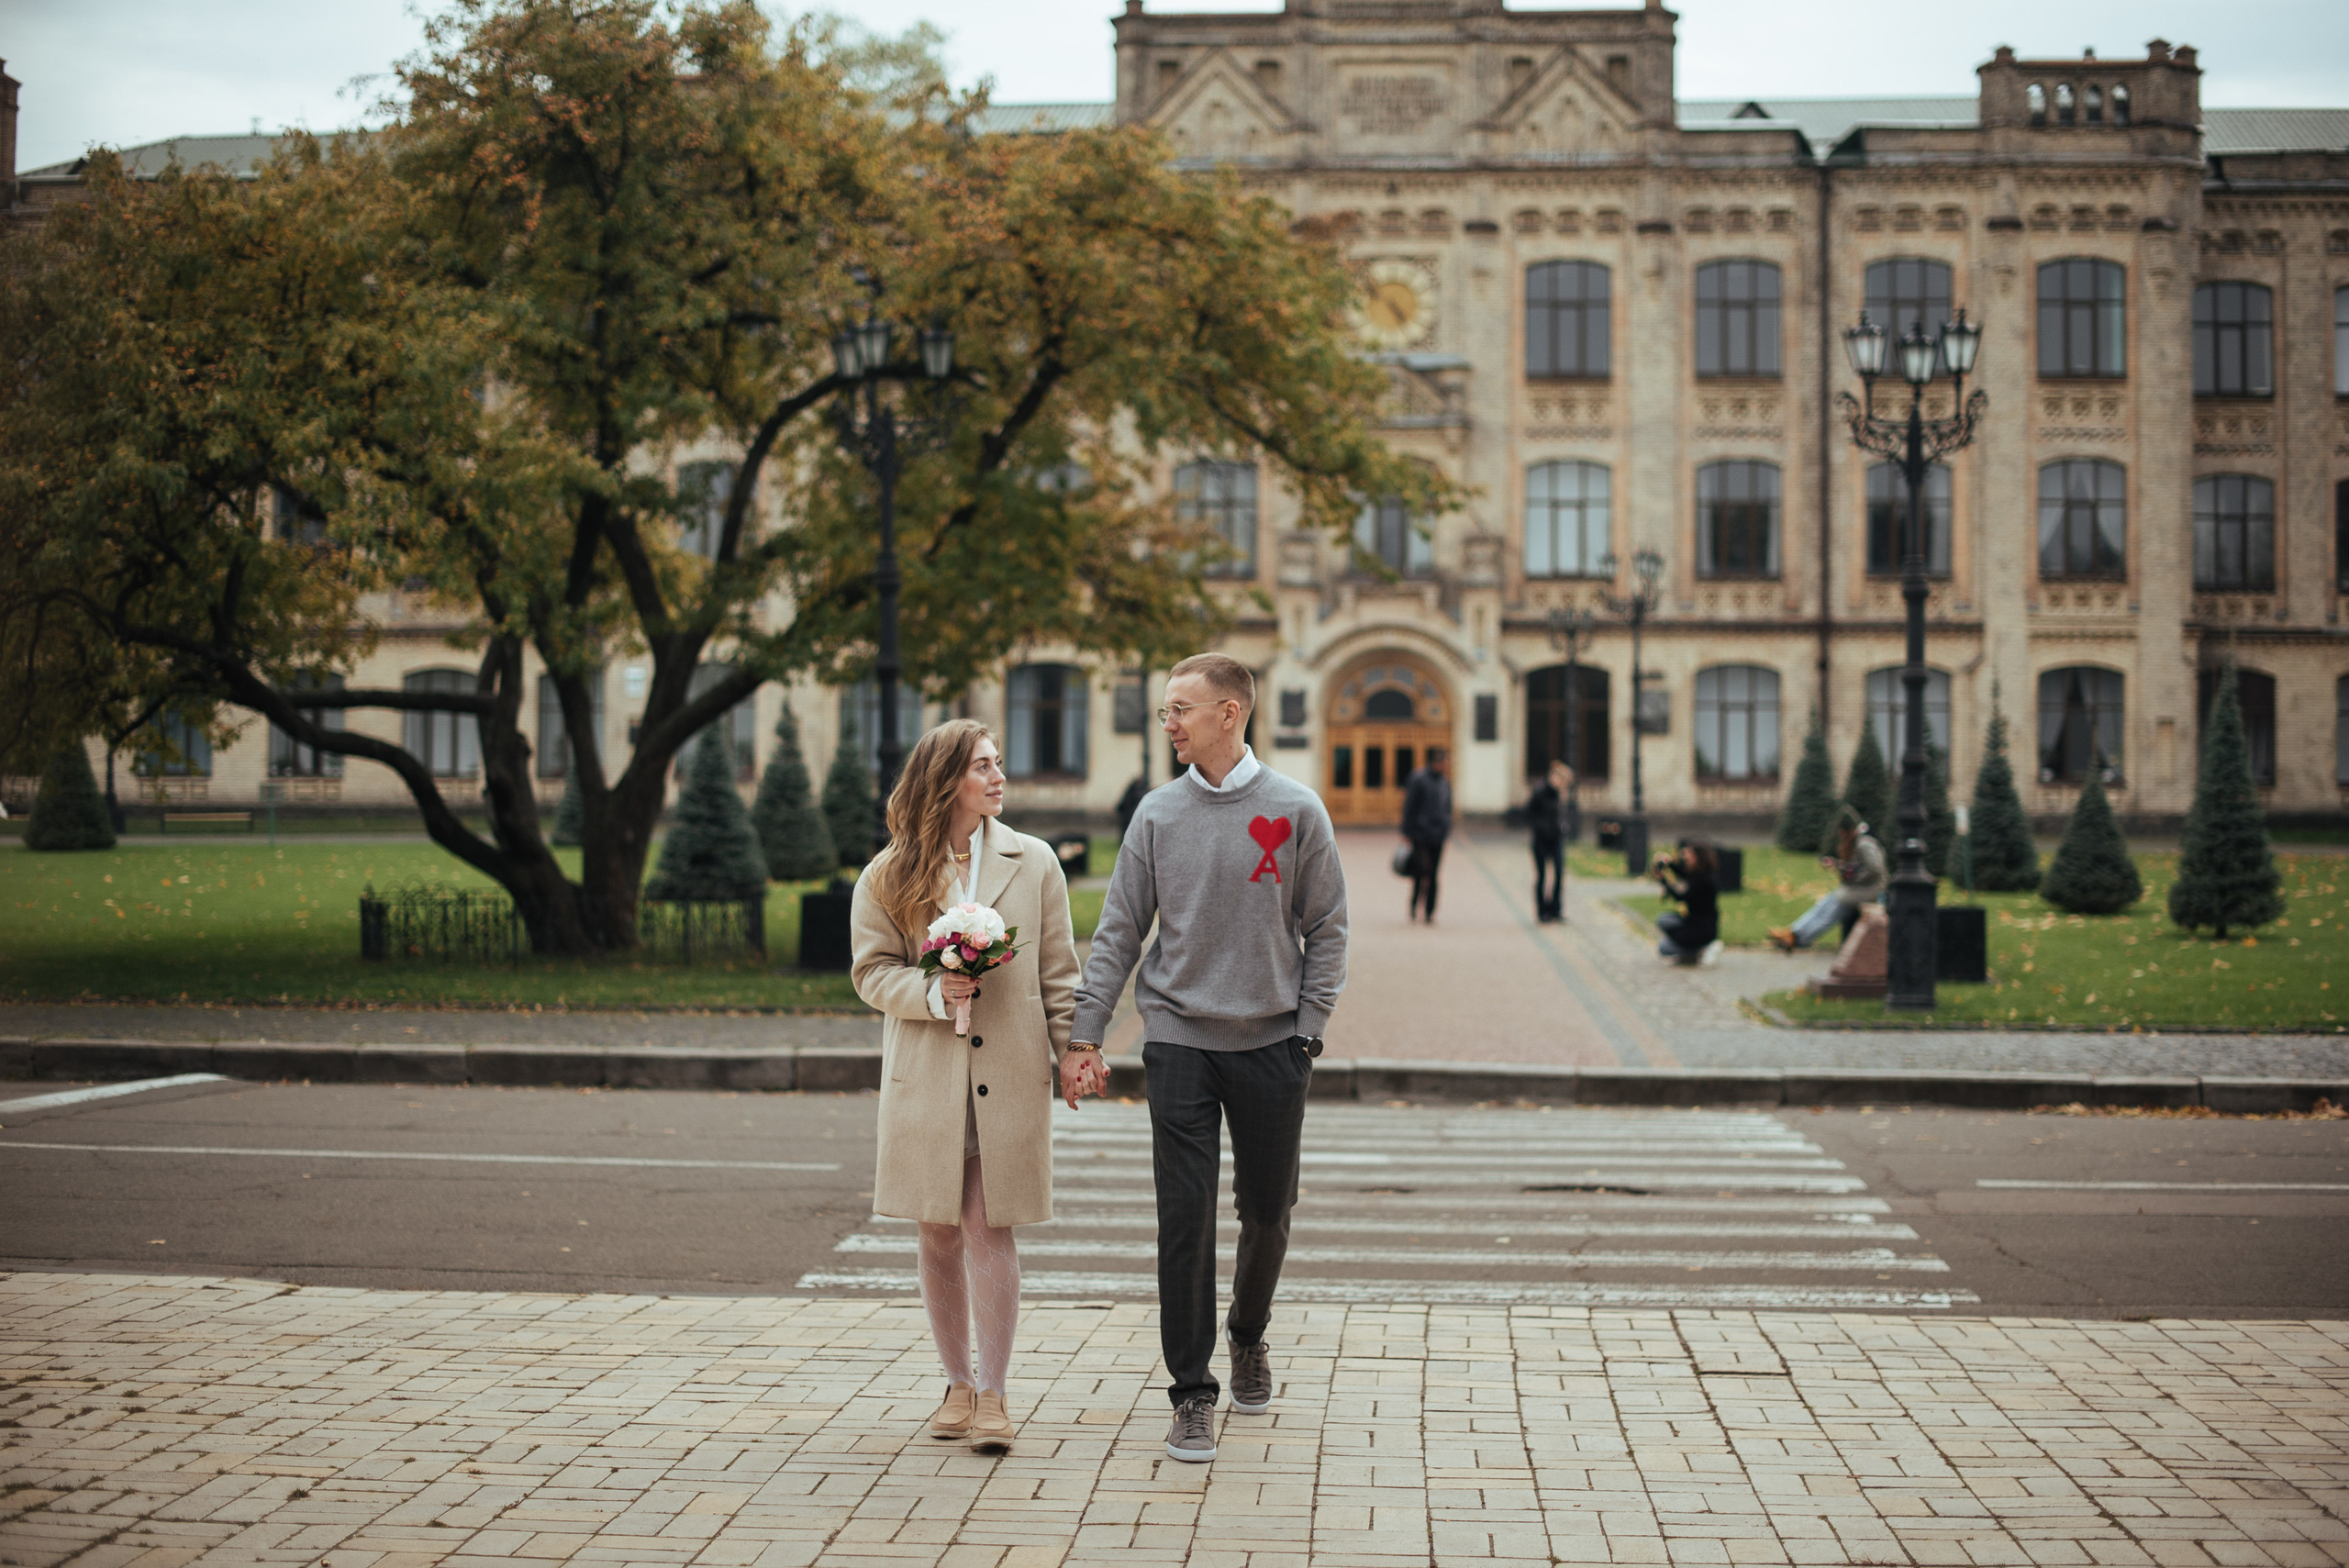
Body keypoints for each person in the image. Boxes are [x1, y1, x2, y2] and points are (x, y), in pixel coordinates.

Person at [1070, 651, 1349, 1465]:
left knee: (1267, 1210)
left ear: (1230, 713)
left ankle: (1248, 1334)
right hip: (1180, 1042)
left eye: (1180, 708)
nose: (1169, 722)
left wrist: (1310, 1028)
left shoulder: (1297, 810)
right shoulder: (1157, 814)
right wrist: (1087, 1032)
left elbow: (1327, 925)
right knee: (1183, 1216)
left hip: (1273, 1043)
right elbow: (1120, 928)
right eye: (1165, 709)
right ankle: (1190, 1389)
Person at [850, 719, 1104, 1456]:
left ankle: (994, 1393)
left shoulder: (1037, 862)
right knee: (936, 1224)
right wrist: (934, 989)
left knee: (989, 1221)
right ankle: (956, 1383)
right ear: (945, 780)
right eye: (983, 766)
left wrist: (1075, 1050)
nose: (999, 777)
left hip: (1009, 1069)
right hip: (927, 1070)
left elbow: (1059, 969)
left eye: (998, 763)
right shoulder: (889, 873)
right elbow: (870, 972)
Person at [1769, 808, 1887, 951]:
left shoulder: (1864, 844)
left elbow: (1874, 869)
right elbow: (1859, 867)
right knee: (1825, 904)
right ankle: (1793, 932)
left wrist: (1853, 878)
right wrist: (1839, 866)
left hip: (1869, 891)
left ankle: (1799, 936)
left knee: (1830, 910)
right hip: (1859, 889)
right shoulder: (1861, 841)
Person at [1399, 748, 1453, 923]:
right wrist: (1406, 832)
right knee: (1421, 870)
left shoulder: (1444, 782)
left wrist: (1446, 827)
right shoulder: (1418, 779)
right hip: (1420, 835)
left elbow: (1447, 807)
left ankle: (1430, 911)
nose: (1443, 764)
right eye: (1441, 761)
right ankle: (1414, 904)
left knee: (1434, 874)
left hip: (1438, 835)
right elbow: (1409, 806)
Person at [1653, 840, 1723, 966]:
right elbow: (1683, 872)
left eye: (1689, 856)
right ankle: (1697, 949)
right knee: (1664, 921)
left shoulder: (1703, 880)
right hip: (1695, 922)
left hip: (1702, 929)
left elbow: (1682, 897)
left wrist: (1664, 882)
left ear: (1698, 857)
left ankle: (1702, 949)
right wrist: (1668, 864)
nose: (1686, 859)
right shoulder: (1700, 874)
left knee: (1665, 948)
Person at [1527, 760, 1572, 922]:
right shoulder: (1540, 791)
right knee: (1542, 876)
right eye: (1562, 780)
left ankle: (1555, 909)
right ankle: (1542, 911)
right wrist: (1543, 828)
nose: (1563, 784)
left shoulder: (1559, 794)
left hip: (1556, 840)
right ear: (1553, 777)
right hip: (1541, 840)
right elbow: (1530, 814)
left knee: (1559, 874)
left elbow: (1561, 816)